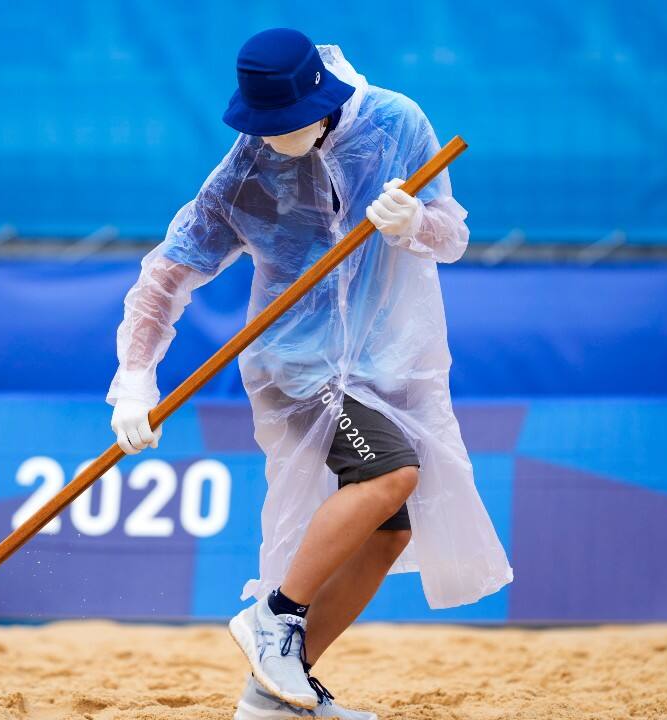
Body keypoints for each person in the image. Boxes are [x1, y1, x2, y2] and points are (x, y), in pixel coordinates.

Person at [107, 28, 512, 719]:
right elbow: (166, 274)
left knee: (391, 529)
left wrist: (414, 221)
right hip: (298, 367)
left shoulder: (397, 123)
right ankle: (276, 617)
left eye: (285, 123)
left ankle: (274, 695)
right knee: (390, 473)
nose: (272, 136)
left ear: (322, 100)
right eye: (262, 125)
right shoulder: (244, 172)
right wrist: (135, 377)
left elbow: (453, 235)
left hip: (386, 366)